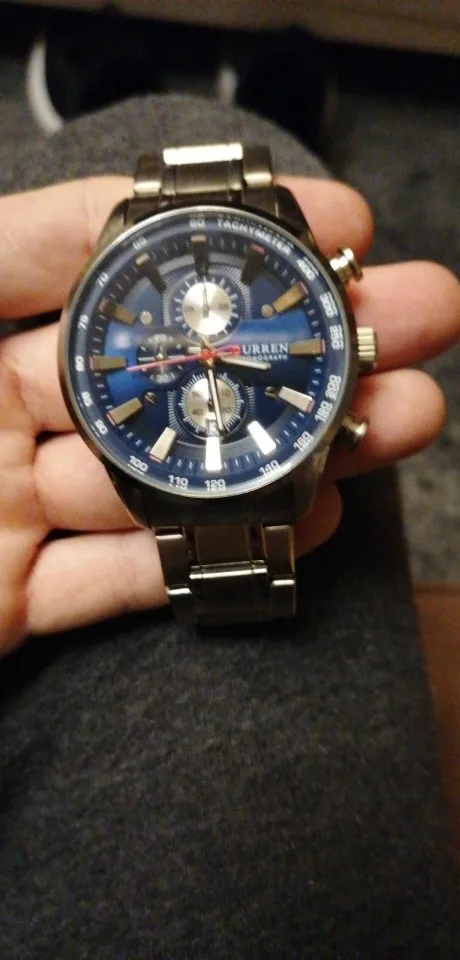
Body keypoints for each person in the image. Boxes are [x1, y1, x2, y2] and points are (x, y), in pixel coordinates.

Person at [0, 96, 459, 957]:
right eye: (195, 351)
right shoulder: (119, 405)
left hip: (239, 447)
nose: (208, 354)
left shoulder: (301, 375)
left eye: (215, 347)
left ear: (349, 355)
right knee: (269, 149)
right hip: (175, 455)